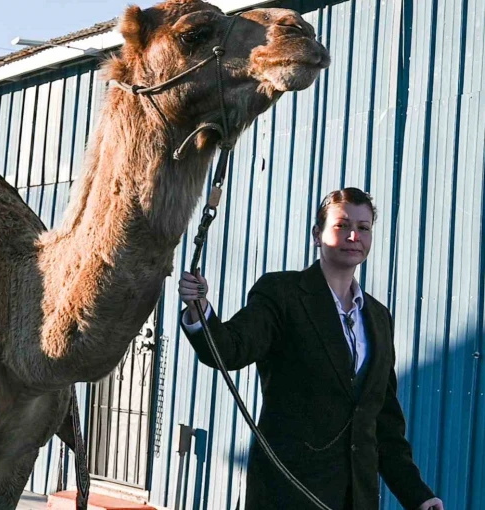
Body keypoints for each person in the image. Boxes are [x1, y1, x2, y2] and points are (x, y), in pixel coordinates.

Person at [178, 188, 443, 510]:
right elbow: (229, 349)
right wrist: (199, 310)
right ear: (317, 234)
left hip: (356, 499)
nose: (353, 236)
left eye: (363, 227)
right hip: (288, 492)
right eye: (341, 225)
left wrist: (418, 495)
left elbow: (382, 422)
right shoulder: (282, 293)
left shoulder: (378, 316)